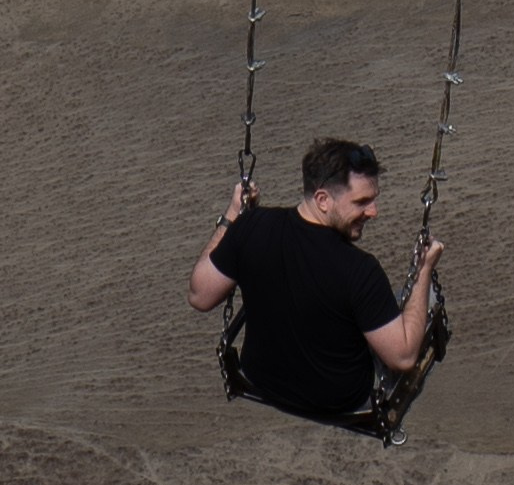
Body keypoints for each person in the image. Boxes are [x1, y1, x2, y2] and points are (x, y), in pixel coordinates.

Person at [189, 137, 444, 426]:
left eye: (374, 200)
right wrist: (424, 270)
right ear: (323, 199)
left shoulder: (251, 225)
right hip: (339, 401)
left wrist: (233, 214)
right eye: (362, 202)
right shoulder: (360, 270)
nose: (374, 212)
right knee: (424, 297)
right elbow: (403, 358)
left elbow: (200, 295)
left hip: (263, 379)